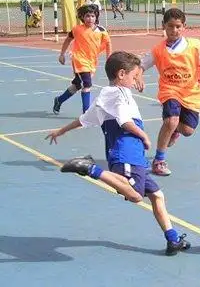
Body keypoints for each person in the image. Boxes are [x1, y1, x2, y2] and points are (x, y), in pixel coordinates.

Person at [45, 51, 191, 256]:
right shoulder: (119, 94)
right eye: (134, 76)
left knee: (157, 195)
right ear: (121, 74)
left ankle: (173, 239)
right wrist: (145, 136)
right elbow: (125, 122)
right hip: (127, 150)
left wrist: (61, 130)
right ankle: (90, 168)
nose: (136, 80)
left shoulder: (106, 95)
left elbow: (84, 119)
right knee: (136, 196)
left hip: (127, 153)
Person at [138, 8, 200, 176]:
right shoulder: (158, 50)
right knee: (171, 120)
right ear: (163, 26)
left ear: (184, 27)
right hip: (170, 90)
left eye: (177, 26)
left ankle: (175, 131)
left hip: (190, 92)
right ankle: (159, 160)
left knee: (188, 130)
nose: (174, 30)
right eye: (170, 26)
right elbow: (141, 65)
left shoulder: (195, 47)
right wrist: (139, 76)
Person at [53, 4, 112, 115]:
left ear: (96, 17)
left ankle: (59, 100)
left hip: (92, 61)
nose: (90, 18)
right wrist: (62, 54)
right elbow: (67, 40)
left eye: (92, 16)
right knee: (87, 84)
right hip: (79, 60)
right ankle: (87, 113)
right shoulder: (77, 29)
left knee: (77, 85)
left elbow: (108, 44)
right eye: (87, 16)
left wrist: (109, 58)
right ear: (82, 17)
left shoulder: (102, 30)